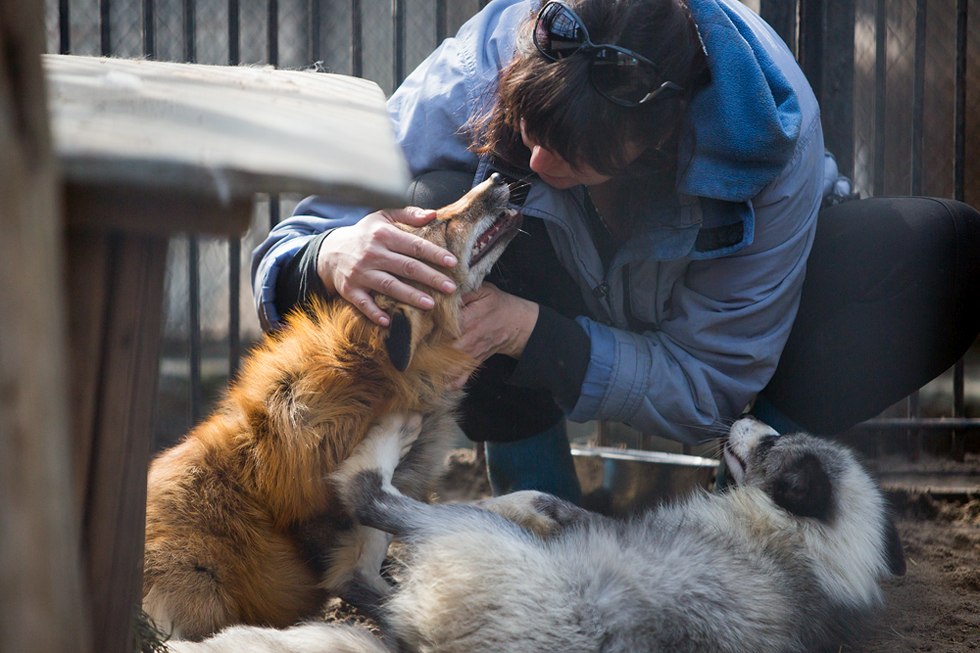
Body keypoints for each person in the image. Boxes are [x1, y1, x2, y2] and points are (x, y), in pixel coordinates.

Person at [252, 0, 980, 503]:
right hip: (556, 277)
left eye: (566, 153)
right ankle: (540, 508)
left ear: (655, 142)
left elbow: (711, 382)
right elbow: (301, 237)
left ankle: (751, 508)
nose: (534, 164)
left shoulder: (767, 128)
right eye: (524, 130)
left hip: (728, 323)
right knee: (432, 197)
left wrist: (533, 331)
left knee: (945, 250)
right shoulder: (502, 41)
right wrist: (329, 254)